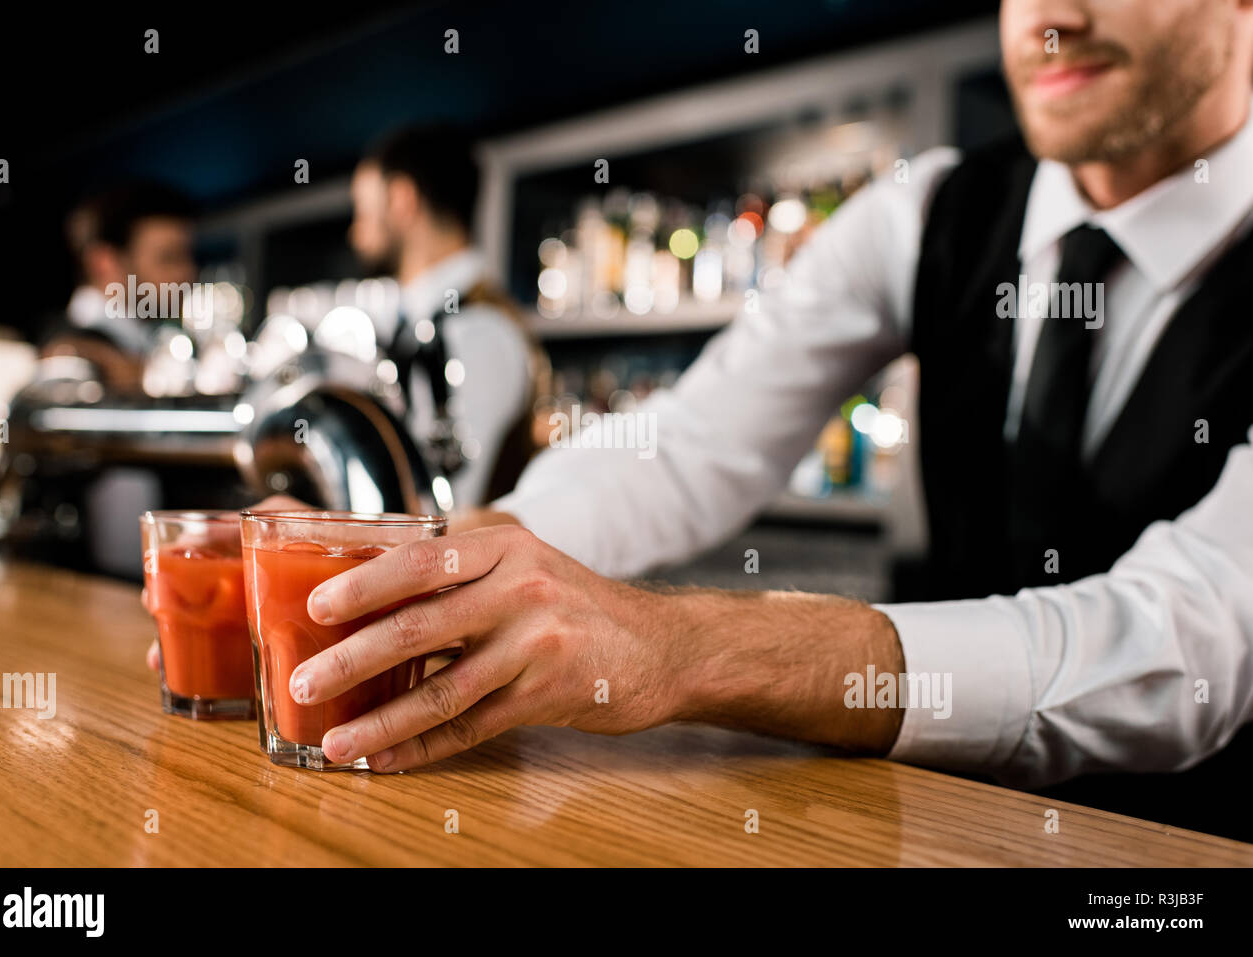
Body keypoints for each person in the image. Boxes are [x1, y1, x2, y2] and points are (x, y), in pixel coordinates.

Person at [157, 0, 1253, 839]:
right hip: (944, 830)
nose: (1052, 15)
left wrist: (677, 647)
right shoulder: (930, 212)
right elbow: (684, 448)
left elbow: (1190, 635)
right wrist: (441, 569)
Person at [348, 125, 545, 507]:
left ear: (402, 199)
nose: (354, 232)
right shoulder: (432, 324)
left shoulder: (477, 332)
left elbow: (440, 514)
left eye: (362, 210)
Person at [41, 182, 198, 393]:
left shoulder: (142, 346)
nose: (186, 273)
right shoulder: (68, 359)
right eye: (168, 258)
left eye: (188, 257)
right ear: (104, 263)